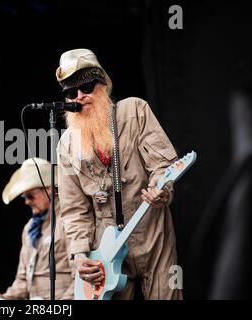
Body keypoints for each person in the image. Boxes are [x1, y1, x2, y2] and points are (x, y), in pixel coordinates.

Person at [56, 48, 182, 299]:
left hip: (150, 230)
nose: (80, 97)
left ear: (102, 85)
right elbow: (73, 209)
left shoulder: (134, 111)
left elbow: (163, 165)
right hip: (105, 247)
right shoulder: (66, 144)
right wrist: (80, 256)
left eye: (87, 87)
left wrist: (161, 189)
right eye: (71, 93)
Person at [0, 158, 74, 300]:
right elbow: (22, 279)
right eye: (24, 197)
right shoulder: (29, 229)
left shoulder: (69, 221)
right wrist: (5, 298)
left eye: (30, 196)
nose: (27, 202)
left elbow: (80, 277)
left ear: (49, 189)